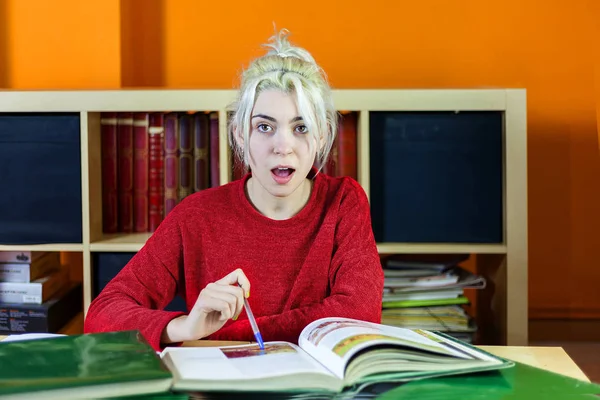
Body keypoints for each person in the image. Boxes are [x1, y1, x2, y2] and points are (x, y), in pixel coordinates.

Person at [84, 28, 384, 351]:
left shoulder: (343, 203)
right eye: (264, 127)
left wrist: (215, 338)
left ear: (322, 135)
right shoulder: (196, 216)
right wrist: (183, 325)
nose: (283, 147)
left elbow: (358, 315)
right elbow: (102, 315)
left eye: (301, 128)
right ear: (240, 135)